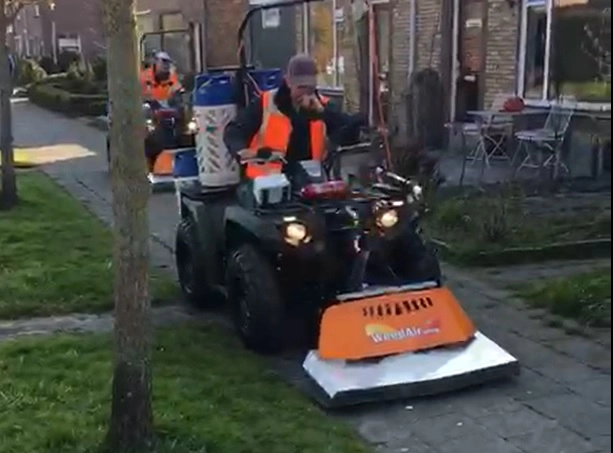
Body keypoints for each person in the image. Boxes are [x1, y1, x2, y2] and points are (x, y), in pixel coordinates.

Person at [224, 53, 365, 179]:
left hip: (309, 182)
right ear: (288, 82)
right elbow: (234, 131)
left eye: (309, 88)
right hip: (267, 183)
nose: (305, 94)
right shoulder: (267, 103)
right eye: (300, 88)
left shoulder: (322, 107)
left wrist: (323, 113)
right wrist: (243, 151)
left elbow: (349, 130)